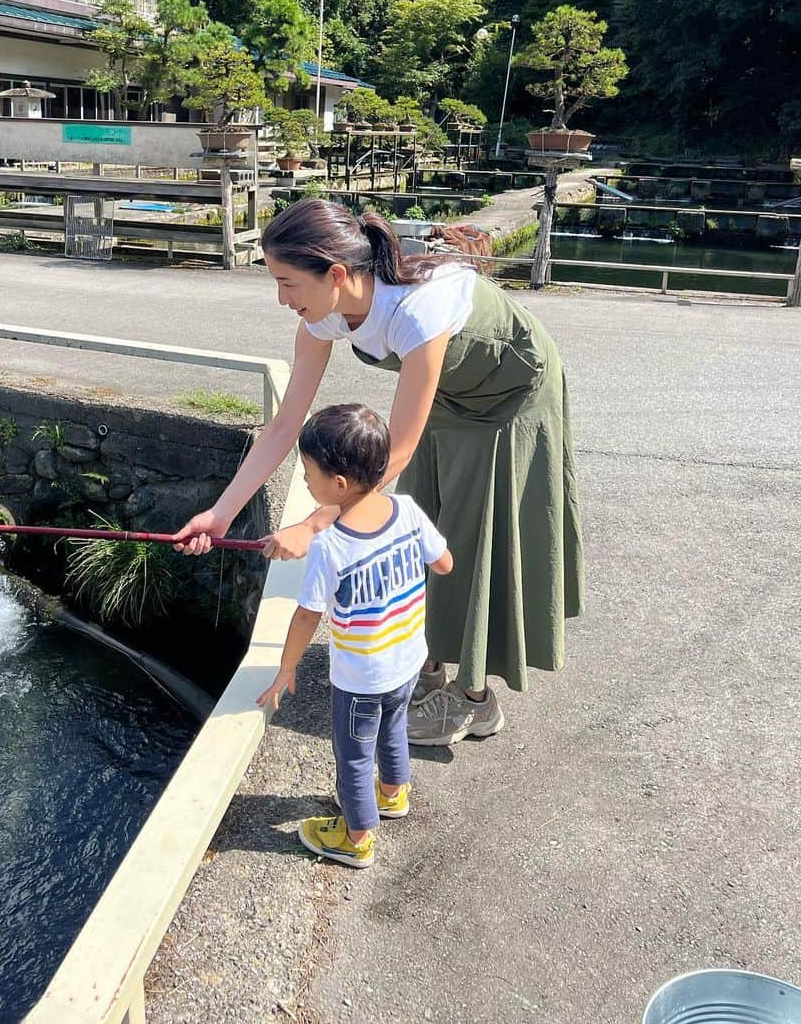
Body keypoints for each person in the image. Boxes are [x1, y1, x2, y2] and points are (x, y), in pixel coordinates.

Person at [173, 198, 585, 746]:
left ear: (336, 274)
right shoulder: (322, 315)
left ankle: (474, 700)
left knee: (469, 533)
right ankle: (432, 663)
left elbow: (398, 450)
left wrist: (313, 524)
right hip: (450, 395)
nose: (281, 298)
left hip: (510, 398)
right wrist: (221, 513)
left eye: (288, 282)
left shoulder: (417, 308)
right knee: (420, 518)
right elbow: (283, 426)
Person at [256, 404, 453, 869]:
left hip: (361, 678)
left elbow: (307, 616)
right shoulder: (405, 509)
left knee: (354, 758)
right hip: (407, 661)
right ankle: (393, 794)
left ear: (339, 484)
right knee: (394, 729)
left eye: (308, 473)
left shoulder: (332, 545)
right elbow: (444, 563)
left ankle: (357, 837)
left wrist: (286, 669)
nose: (305, 482)